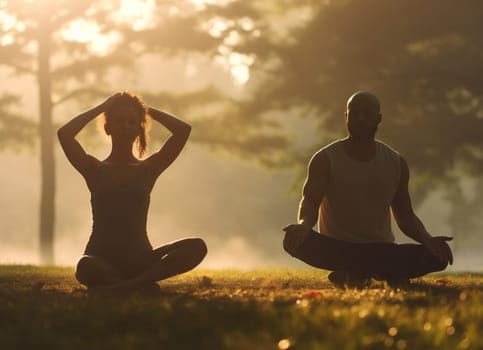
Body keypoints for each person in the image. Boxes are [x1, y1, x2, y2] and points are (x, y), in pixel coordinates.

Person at [283, 91, 453, 287]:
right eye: (354, 114)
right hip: (338, 249)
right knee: (293, 240)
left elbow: (405, 215)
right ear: (346, 117)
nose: (361, 119)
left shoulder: (395, 162)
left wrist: (429, 240)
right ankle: (383, 272)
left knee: (437, 257)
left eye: (367, 114)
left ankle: (355, 273)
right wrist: (304, 226)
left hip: (381, 249)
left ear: (378, 118)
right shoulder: (325, 159)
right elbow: (310, 201)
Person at [58, 91, 207, 289]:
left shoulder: (148, 169)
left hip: (140, 260)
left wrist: (145, 110)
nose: (125, 127)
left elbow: (183, 130)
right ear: (108, 128)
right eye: (119, 121)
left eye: (131, 122)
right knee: (85, 266)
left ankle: (123, 286)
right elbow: (65, 134)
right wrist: (102, 107)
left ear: (139, 128)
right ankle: (137, 284)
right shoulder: (94, 169)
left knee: (197, 246)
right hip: (101, 258)